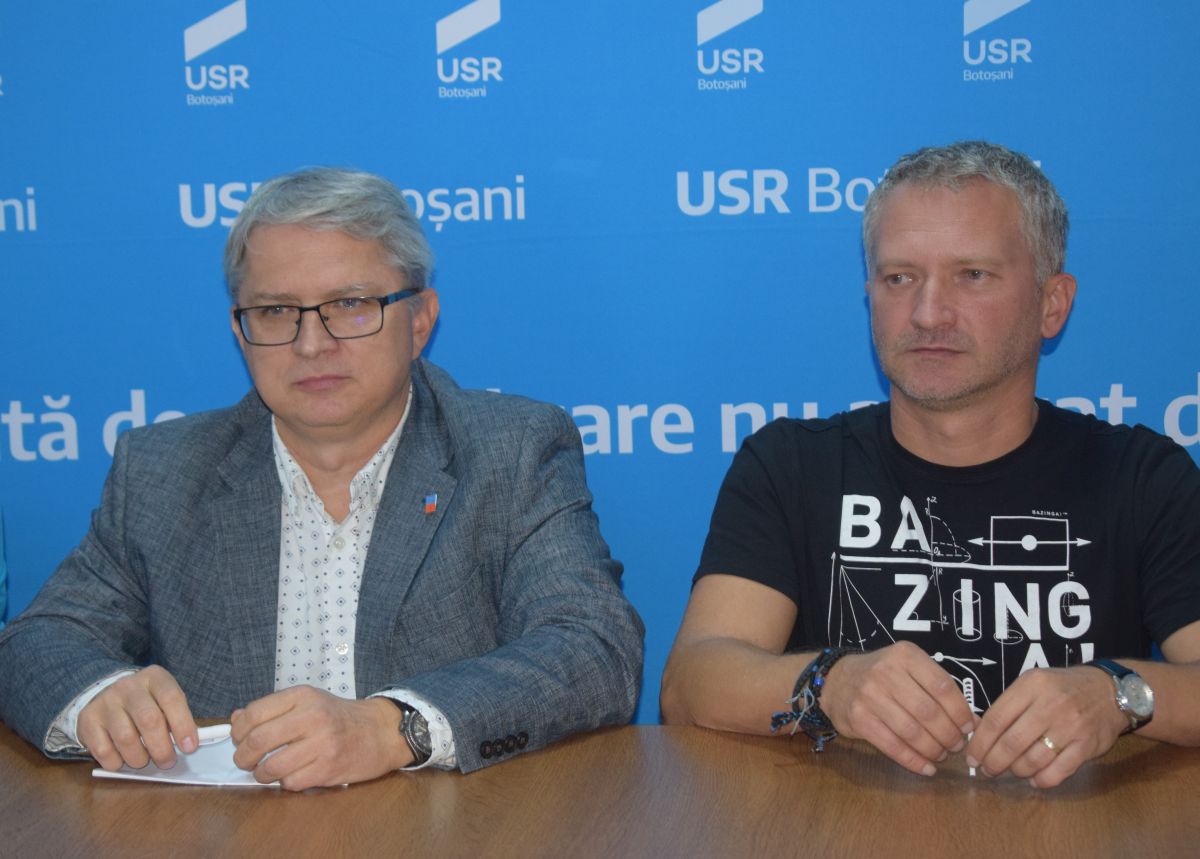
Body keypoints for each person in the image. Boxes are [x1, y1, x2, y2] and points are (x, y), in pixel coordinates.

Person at [0, 167, 643, 790]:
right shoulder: (162, 471)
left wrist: (394, 728)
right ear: (240, 331)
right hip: (228, 838)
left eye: (350, 305)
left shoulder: (512, 450)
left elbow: (593, 646)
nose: (311, 344)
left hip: (454, 831)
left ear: (420, 320)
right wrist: (98, 696)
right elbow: (35, 644)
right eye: (276, 311)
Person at [660, 141, 1200, 788]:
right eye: (900, 278)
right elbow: (690, 685)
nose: (927, 313)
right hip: (838, 826)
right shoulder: (790, 465)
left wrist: (1118, 694)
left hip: (1073, 823)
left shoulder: (1142, 477)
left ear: (1052, 304)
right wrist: (832, 683)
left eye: (973, 275)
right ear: (870, 295)